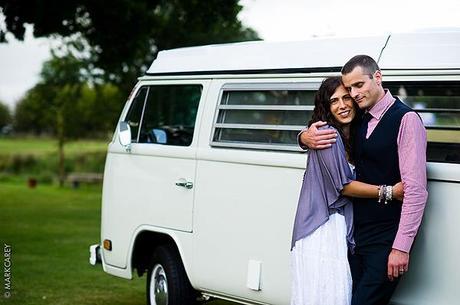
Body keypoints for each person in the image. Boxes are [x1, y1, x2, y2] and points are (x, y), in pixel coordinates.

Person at [299, 55, 428, 305]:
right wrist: (303, 136)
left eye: (359, 85)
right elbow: (326, 130)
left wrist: (401, 247)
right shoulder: (359, 118)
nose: (354, 95)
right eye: (349, 89)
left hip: (386, 238)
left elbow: (415, 191)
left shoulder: (406, 120)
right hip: (355, 238)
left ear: (377, 78)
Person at [291, 76, 403, 305]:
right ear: (326, 107)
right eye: (334, 101)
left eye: (346, 97)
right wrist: (390, 192)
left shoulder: (355, 132)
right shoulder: (327, 135)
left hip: (341, 225)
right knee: (329, 295)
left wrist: (301, 137)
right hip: (323, 228)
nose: (342, 105)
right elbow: (343, 186)